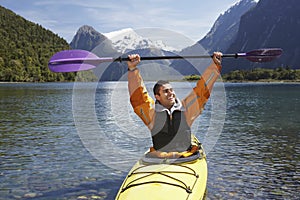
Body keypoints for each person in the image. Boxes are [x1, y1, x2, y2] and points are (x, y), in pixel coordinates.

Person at [127, 52, 222, 158]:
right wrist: (132, 70)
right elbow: (138, 97)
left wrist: (214, 65)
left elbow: (203, 90)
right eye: (166, 91)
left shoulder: (186, 109)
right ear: (157, 96)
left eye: (172, 90)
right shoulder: (151, 112)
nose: (171, 93)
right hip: (159, 158)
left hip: (186, 157)